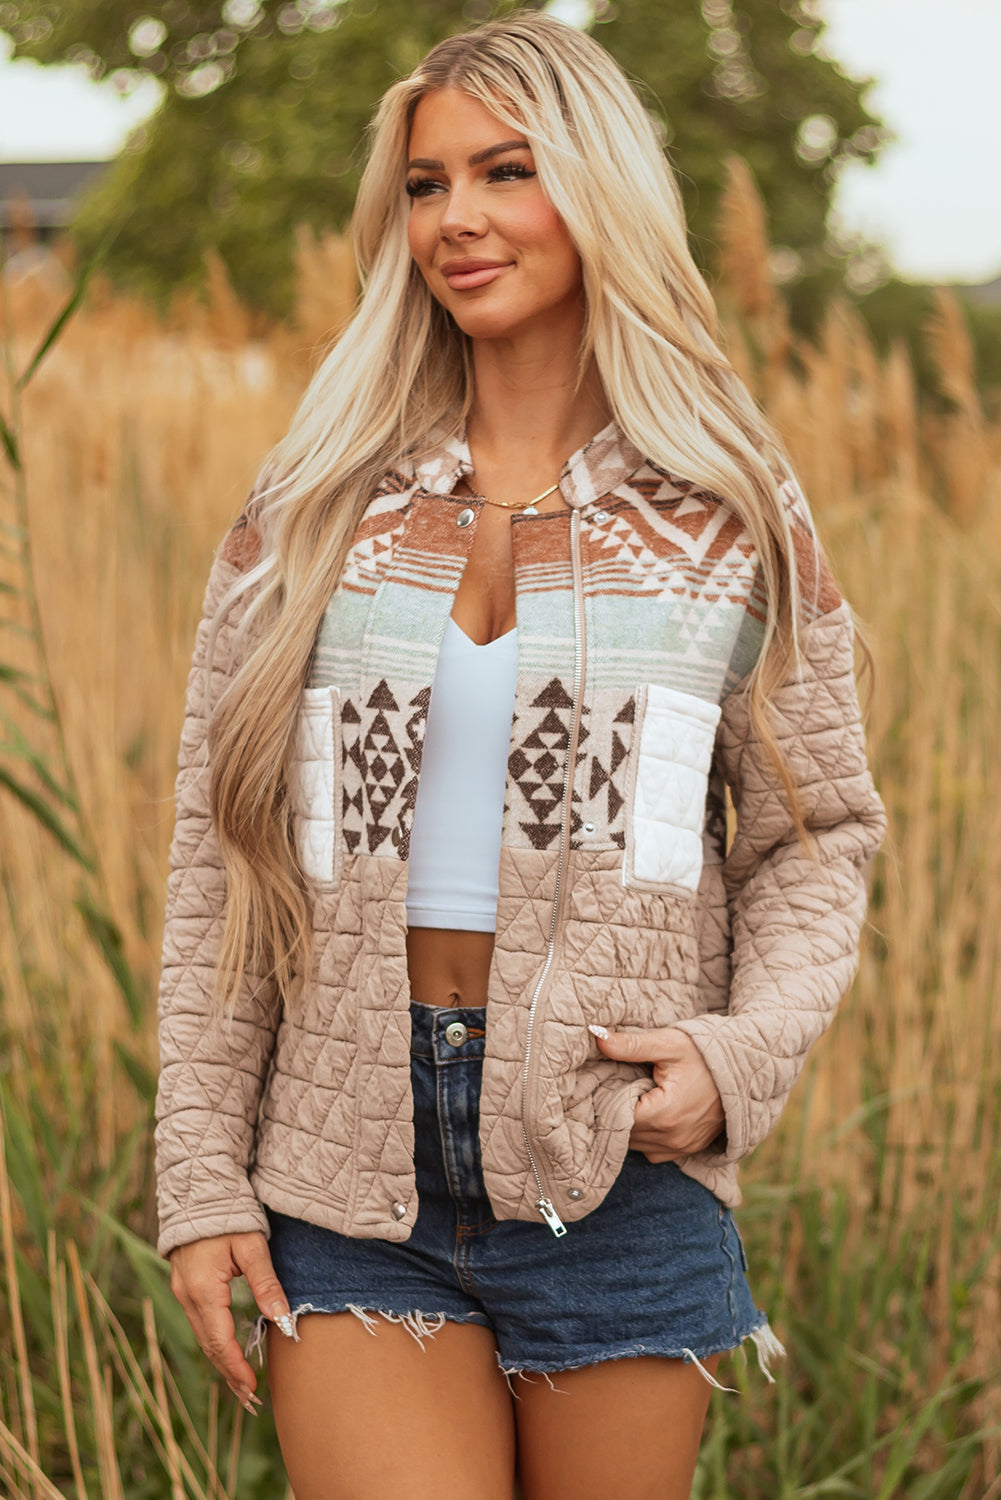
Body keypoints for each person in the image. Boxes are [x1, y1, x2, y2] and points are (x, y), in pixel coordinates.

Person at [154, 12, 886, 1499]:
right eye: (425, 186)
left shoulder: (726, 510)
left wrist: (736, 1059)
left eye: (505, 172)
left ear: (598, 188)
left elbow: (813, 835)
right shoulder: (311, 507)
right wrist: (196, 1175)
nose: (458, 220)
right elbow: (216, 859)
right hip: (342, 1159)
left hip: (614, 1160)